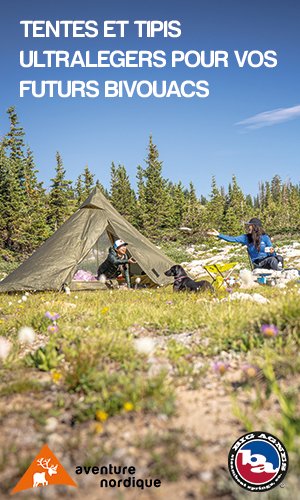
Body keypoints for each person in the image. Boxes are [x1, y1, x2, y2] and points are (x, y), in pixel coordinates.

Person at [207, 218, 284, 270]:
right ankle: (280, 272)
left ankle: (280, 272)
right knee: (272, 260)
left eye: (250, 225)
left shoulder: (265, 237)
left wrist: (272, 252)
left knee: (279, 258)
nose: (248, 227)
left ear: (255, 227)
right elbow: (232, 239)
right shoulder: (246, 237)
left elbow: (272, 253)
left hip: (267, 260)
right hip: (258, 262)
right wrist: (218, 235)